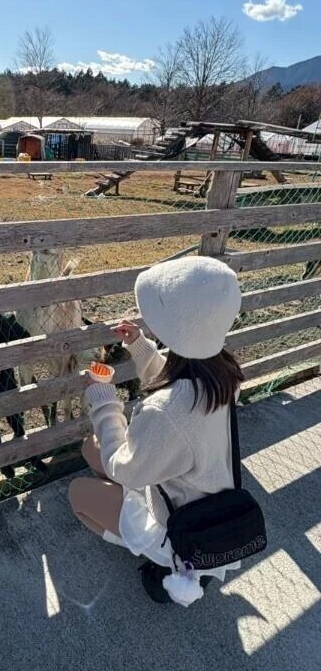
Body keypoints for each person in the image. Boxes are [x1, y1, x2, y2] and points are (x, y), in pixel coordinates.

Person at [68, 256, 244, 606]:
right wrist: (140, 345)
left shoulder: (164, 412)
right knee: (92, 446)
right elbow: (179, 381)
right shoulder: (223, 371)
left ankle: (161, 560)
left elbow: (124, 468)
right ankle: (129, 521)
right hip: (195, 490)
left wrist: (103, 399)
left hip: (176, 522)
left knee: (78, 494)